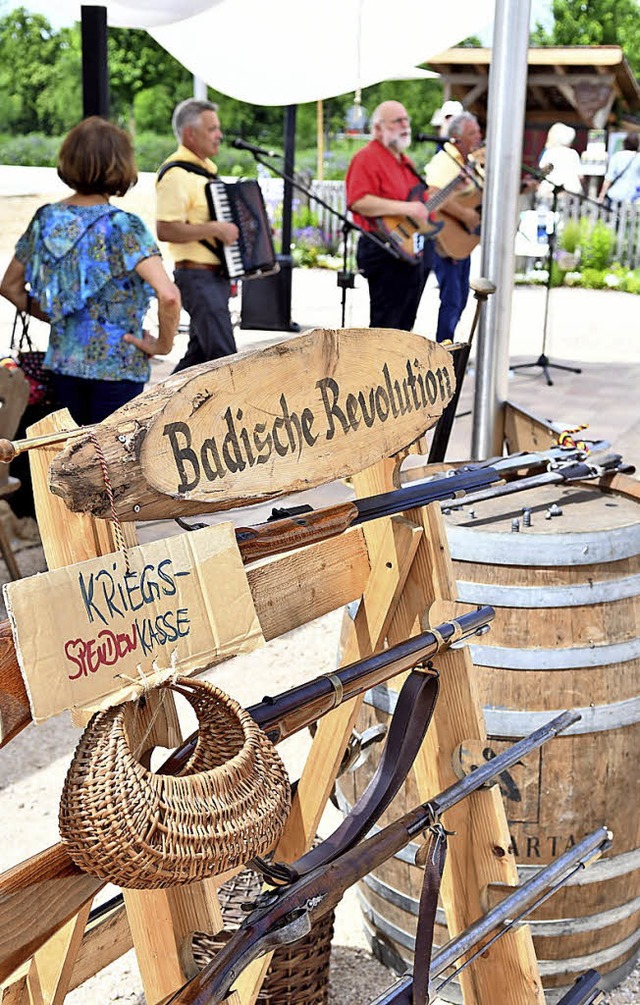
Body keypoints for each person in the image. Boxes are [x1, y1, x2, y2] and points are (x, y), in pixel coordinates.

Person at [0, 117, 180, 427]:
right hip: (118, 367)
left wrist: (57, 317)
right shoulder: (123, 226)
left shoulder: (46, 219)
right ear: (120, 165)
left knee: (67, 460)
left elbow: (9, 286)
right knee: (111, 464)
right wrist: (161, 345)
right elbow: (169, 296)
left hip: (63, 366)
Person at [156, 98, 239, 372]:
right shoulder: (175, 175)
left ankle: (161, 408)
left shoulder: (205, 173)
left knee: (200, 356)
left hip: (214, 277)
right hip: (196, 277)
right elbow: (165, 228)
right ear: (190, 133)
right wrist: (215, 229)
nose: (220, 135)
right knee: (225, 361)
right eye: (212, 129)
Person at [345, 100, 435, 331]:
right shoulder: (367, 158)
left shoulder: (406, 162)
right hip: (382, 246)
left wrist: (451, 190)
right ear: (378, 128)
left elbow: (419, 202)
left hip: (408, 249)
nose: (405, 125)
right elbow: (358, 201)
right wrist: (407, 209)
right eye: (397, 121)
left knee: (405, 327)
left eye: (406, 120)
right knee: (386, 327)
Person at [425, 111, 483, 344]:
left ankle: (448, 348)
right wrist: (465, 214)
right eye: (473, 133)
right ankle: (443, 350)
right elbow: (432, 195)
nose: (479, 136)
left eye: (478, 131)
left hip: (460, 241)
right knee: (452, 299)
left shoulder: (467, 162)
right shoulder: (445, 160)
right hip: (445, 239)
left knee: (460, 299)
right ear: (457, 138)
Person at [537, 122, 584, 200]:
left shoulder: (549, 152)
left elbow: (542, 170)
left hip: (549, 191)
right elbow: (580, 176)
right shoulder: (573, 153)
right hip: (570, 192)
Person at [598, 133, 640, 206]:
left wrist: (601, 196)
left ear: (624, 143)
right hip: (634, 196)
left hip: (615, 194)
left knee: (613, 216)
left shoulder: (617, 156)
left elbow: (609, 178)